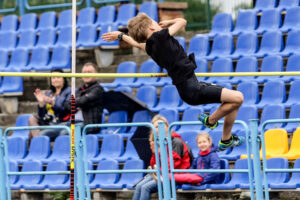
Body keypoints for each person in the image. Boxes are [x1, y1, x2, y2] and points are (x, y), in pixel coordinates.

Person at [101, 13, 244, 151]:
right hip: (192, 88)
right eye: (155, 22)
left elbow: (137, 44)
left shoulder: (150, 47)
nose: (159, 24)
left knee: (234, 102)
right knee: (238, 98)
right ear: (151, 27)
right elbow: (182, 22)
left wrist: (121, 36)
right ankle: (210, 121)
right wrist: (169, 23)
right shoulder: (160, 36)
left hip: (189, 89)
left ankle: (226, 139)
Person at [132, 115, 192, 200]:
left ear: (167, 126)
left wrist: (159, 153)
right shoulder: (157, 141)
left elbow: (173, 165)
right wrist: (154, 153)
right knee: (139, 186)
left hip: (174, 175)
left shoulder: (176, 142)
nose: (160, 128)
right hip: (161, 173)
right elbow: (154, 165)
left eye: (163, 125)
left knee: (145, 187)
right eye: (156, 127)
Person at [28, 69, 71, 140]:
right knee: (32, 120)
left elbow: (66, 110)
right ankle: (38, 141)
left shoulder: (69, 91)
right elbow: (41, 116)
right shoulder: (49, 93)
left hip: (61, 122)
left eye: (58, 77)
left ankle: (38, 142)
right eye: (53, 78)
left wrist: (52, 103)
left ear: (64, 79)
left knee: (32, 134)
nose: (55, 79)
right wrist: (41, 103)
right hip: (48, 122)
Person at [64, 62, 104, 134]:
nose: (86, 74)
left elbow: (84, 100)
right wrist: (78, 105)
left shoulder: (98, 89)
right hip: (72, 122)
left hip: (88, 124)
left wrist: (77, 103)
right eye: (84, 72)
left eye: (89, 72)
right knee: (45, 133)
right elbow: (67, 104)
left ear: (96, 74)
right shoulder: (79, 89)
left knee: (64, 133)